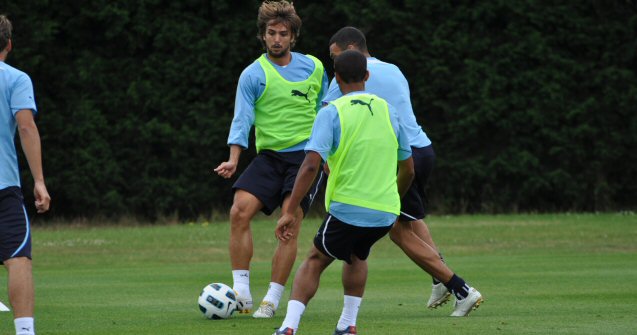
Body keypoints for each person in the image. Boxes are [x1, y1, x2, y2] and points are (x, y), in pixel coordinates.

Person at [324, 27, 483, 317]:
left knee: (397, 230)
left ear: (350, 49)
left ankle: (461, 288)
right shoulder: (394, 69)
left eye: (335, 57)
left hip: (398, 157)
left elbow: (328, 117)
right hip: (422, 149)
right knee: (410, 221)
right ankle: (440, 279)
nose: (334, 65)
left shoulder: (347, 74)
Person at [273, 49, 415, 335]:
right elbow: (409, 169)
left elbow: (310, 165)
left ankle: (289, 327)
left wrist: (290, 211)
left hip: (347, 208)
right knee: (357, 255)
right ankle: (347, 324)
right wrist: (393, 200)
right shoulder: (389, 110)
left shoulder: (332, 112)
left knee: (314, 259)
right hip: (385, 212)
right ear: (367, 76)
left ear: (336, 78)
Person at [213, 0, 328, 319]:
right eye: (271, 33)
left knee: (289, 224)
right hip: (270, 158)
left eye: (283, 34)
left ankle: (272, 300)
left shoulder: (316, 67)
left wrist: (331, 156)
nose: (277, 39)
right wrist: (234, 158)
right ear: (262, 36)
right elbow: (242, 118)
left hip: (307, 159)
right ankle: (242, 293)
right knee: (239, 211)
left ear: (293, 37)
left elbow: (328, 112)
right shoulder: (253, 74)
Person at [0, 15, 51, 335]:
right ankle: (25, 332)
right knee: (18, 258)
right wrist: (40, 181)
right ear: (8, 44)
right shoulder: (16, 79)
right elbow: (26, 126)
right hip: (4, 187)